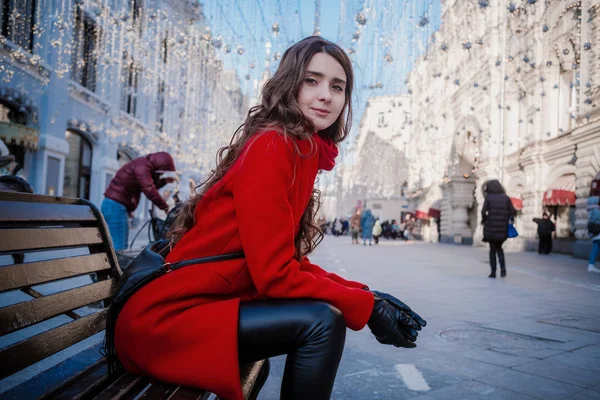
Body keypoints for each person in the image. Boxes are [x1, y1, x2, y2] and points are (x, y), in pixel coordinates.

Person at [112, 37, 426, 400]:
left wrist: (365, 295)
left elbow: (288, 261)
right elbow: (275, 275)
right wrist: (366, 308)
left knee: (325, 315)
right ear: (289, 84)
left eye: (337, 86)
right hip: (165, 319)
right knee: (322, 322)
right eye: (312, 80)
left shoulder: (298, 147)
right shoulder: (274, 145)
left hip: (202, 305)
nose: (326, 94)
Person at [101, 152, 177, 251]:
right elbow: (149, 189)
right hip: (115, 206)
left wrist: (164, 181)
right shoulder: (142, 166)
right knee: (119, 246)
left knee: (121, 245)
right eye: (161, 172)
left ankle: (115, 265)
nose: (161, 174)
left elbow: (149, 186)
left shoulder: (142, 164)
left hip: (116, 205)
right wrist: (165, 207)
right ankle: (115, 266)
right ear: (159, 164)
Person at [481, 179, 516, 278]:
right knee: (499, 248)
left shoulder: (489, 198)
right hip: (502, 228)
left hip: (491, 228)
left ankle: (493, 272)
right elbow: (513, 211)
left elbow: (483, 212)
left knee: (492, 250)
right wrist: (506, 217)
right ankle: (503, 269)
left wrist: (485, 220)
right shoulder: (506, 198)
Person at [586, 196, 600, 273]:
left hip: (595, 233)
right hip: (598, 232)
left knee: (595, 249)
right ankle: (591, 265)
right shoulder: (597, 210)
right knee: (595, 248)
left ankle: (591, 265)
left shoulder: (590, 210)